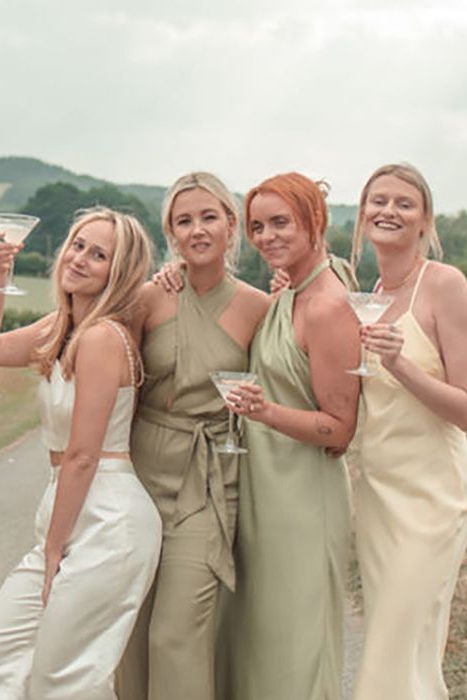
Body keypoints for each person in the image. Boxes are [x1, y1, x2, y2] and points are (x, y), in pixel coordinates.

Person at [0, 207, 162, 699]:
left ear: (117, 272)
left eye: (99, 255)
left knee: (64, 677)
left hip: (108, 520)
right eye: (77, 245)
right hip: (73, 512)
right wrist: (0, 274)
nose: (81, 259)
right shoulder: (63, 326)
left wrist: (54, 547)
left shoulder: (100, 337)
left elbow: (82, 458)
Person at [115, 172, 270, 700]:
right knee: (132, 625)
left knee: (176, 632)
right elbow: (121, 388)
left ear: (232, 226)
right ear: (171, 233)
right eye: (184, 221)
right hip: (139, 473)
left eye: (210, 217)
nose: (197, 230)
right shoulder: (147, 299)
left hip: (207, 478)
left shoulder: (260, 307)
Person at [216, 172, 361, 700]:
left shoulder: (327, 306)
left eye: (282, 222)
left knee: (296, 647)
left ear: (314, 222)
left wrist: (266, 410)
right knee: (257, 641)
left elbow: (339, 429)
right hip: (262, 494)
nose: (267, 235)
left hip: (303, 501)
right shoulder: (290, 292)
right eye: (257, 226)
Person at [349, 163, 467, 700]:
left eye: (403, 203)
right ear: (362, 215)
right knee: (406, 650)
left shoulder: (444, 285)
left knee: (389, 653)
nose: (388, 211)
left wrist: (403, 366)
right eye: (378, 201)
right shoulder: (365, 292)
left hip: (430, 498)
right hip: (375, 497)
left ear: (425, 221)